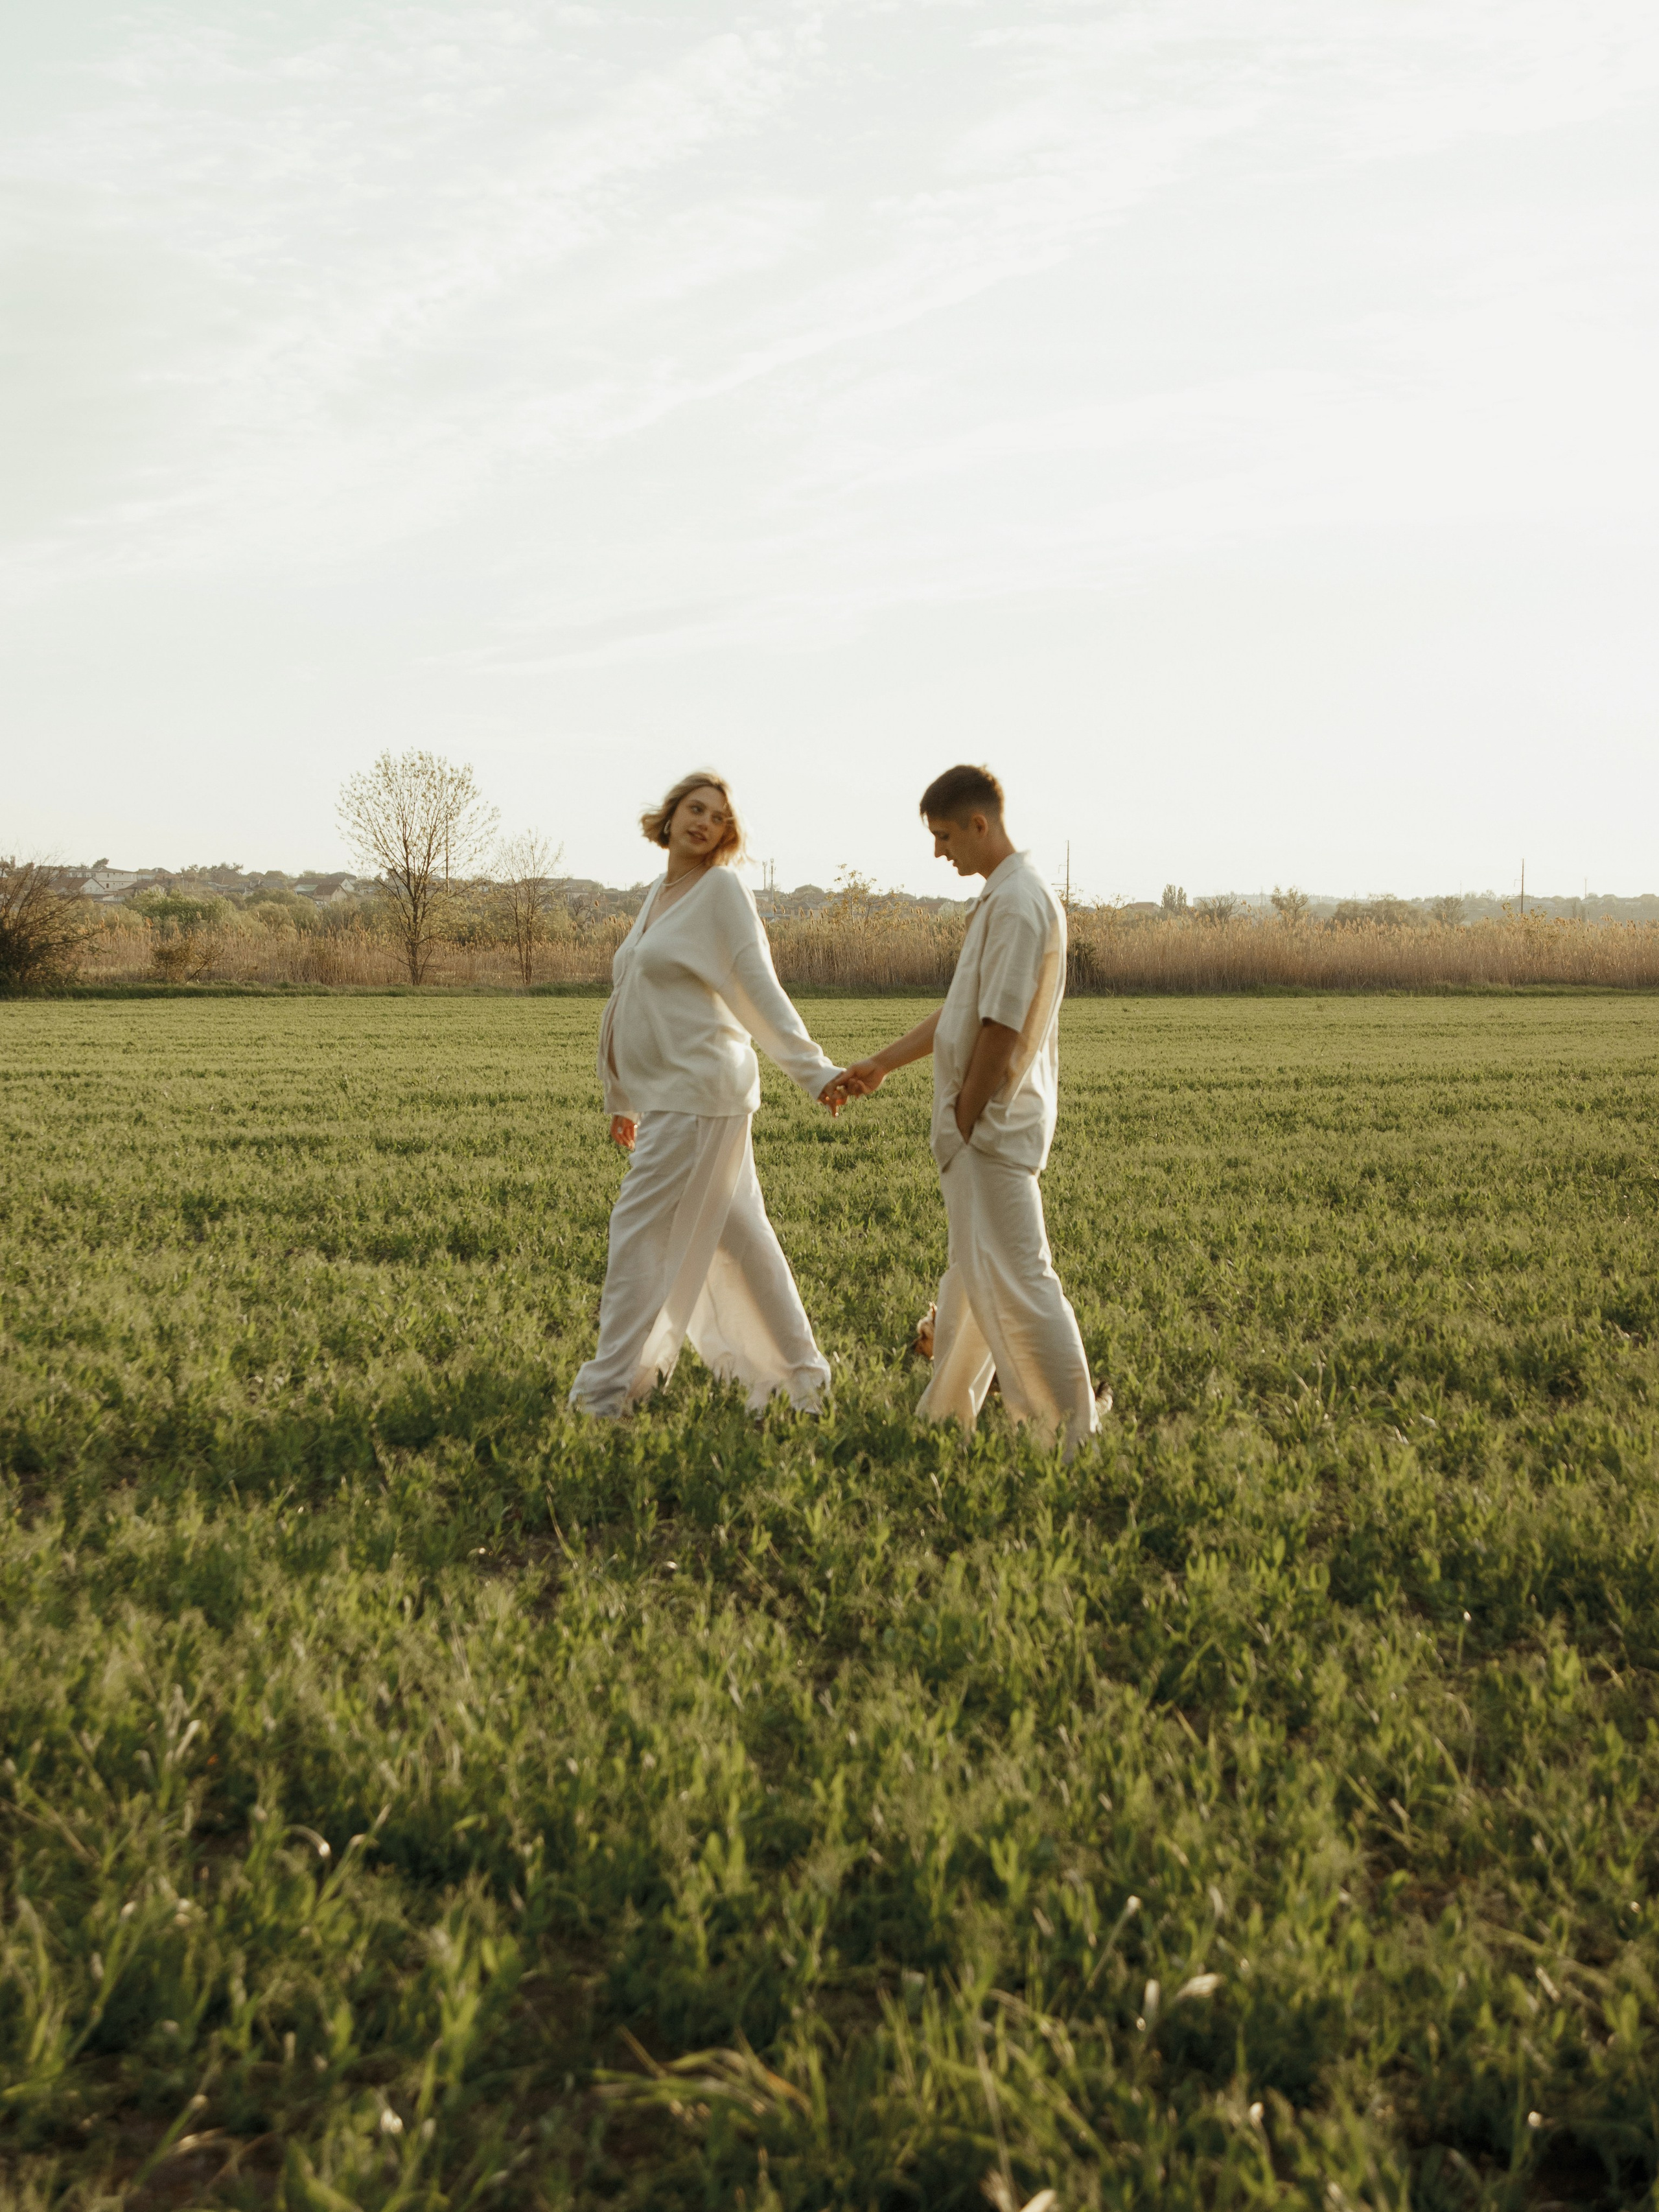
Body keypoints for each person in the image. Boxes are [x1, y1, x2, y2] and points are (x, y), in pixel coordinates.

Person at [831, 765, 1100, 1460]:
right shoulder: (1004, 897)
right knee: (973, 1273)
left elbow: (1002, 1026)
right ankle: (944, 1415)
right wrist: (885, 1061)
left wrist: (964, 1114)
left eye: (944, 835)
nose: (938, 851)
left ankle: (1072, 1431)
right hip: (984, 1126)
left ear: (980, 824)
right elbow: (961, 1014)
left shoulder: (1017, 903)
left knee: (1020, 1279)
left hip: (991, 1127)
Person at [569, 772, 846, 1419]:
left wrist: (814, 1070)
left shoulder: (720, 889)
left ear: (727, 834)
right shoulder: (661, 894)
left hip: (702, 1093)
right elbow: (627, 1001)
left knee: (636, 1235)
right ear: (667, 818)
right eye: (695, 808)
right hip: (674, 1095)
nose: (705, 822)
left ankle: (605, 1391)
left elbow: (757, 984)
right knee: (741, 1239)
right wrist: (620, 1097)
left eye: (719, 817)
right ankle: (803, 1380)